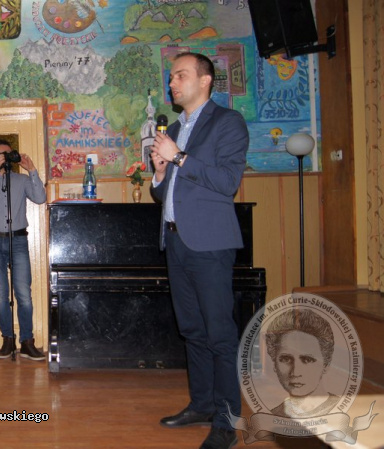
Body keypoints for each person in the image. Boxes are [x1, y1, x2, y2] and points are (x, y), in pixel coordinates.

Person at [149, 52, 248, 449]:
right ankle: (203, 404)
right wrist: (160, 173)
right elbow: (167, 194)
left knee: (220, 334)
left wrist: (178, 156)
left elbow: (227, 182)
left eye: (180, 75)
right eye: (171, 77)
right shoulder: (175, 128)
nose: (172, 82)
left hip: (210, 244)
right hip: (176, 241)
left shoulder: (227, 122)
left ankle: (227, 421)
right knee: (192, 330)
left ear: (205, 80)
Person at [0, 139, 46, 361]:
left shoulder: (21, 180)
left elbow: (40, 198)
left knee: (23, 292)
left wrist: (31, 169)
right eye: (0, 154)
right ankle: (7, 339)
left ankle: (27, 342)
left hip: (18, 240)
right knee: (1, 293)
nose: (5, 157)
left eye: (8, 153)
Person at [265, 308, 340, 418]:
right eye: (286, 359)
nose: (295, 372)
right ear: (274, 364)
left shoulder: (343, 413)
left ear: (326, 364)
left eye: (307, 360)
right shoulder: (272, 417)